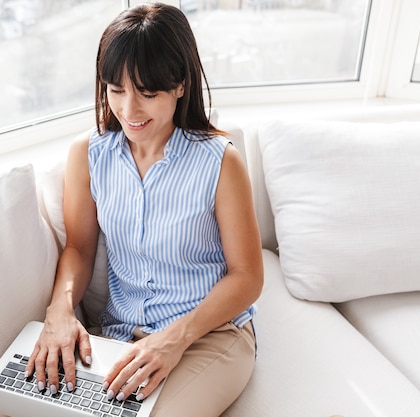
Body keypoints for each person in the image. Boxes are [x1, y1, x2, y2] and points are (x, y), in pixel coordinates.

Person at [25, 3, 263, 416]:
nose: (129, 110)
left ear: (181, 85)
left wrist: (173, 339)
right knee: (2, 407)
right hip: (119, 337)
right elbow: (79, 249)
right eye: (116, 90)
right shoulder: (89, 155)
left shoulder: (220, 163)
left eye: (147, 93)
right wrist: (60, 311)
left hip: (209, 335)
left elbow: (247, 277)